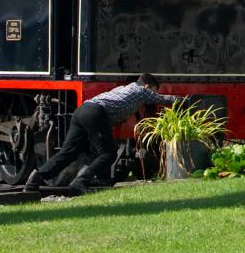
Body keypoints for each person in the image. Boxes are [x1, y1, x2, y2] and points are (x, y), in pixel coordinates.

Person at [24, 73, 175, 196]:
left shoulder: (123, 89)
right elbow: (164, 99)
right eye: (154, 90)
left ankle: (36, 178)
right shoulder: (141, 91)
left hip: (82, 110)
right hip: (95, 113)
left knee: (68, 153)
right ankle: (80, 182)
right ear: (148, 86)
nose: (153, 94)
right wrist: (183, 100)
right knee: (108, 153)